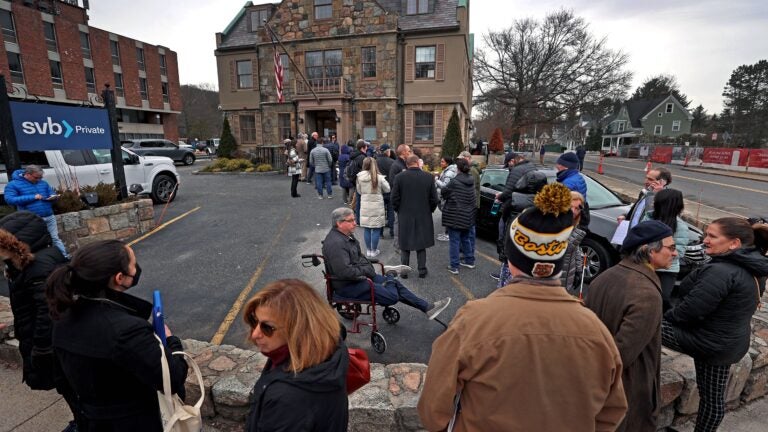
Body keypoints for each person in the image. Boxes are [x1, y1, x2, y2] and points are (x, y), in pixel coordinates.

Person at [418, 183, 627, 431]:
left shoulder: (473, 320)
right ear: (560, 263)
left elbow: (433, 409)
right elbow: (612, 412)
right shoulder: (596, 330)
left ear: (512, 261)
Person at [46, 240, 189, 431]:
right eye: (133, 264)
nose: (136, 268)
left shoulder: (62, 316)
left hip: (93, 420)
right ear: (119, 278)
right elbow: (172, 378)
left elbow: (62, 379)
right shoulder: (127, 331)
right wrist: (170, 341)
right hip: (135, 422)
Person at [662, 217, 768, 432]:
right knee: (712, 397)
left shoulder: (722, 271)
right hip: (726, 342)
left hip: (710, 343)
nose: (705, 240)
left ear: (734, 243)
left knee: (649, 326)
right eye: (706, 234)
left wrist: (665, 316)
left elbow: (691, 311)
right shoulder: (752, 266)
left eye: (712, 236)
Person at [585, 220, 677, 432]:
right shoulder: (647, 294)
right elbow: (622, 354)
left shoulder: (605, 276)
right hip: (626, 389)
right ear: (649, 250)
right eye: (670, 248)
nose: (675, 253)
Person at [0, 211, 82, 432]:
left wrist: (41, 350)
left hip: (53, 346)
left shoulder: (39, 268)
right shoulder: (32, 262)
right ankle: (81, 420)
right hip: (56, 345)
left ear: (16, 245)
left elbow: (48, 313)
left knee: (71, 385)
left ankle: (84, 424)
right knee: (68, 386)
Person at [243, 279, 349, 432]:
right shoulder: (328, 351)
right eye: (254, 321)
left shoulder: (287, 399)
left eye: (267, 327)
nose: (255, 334)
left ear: (298, 330)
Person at [322, 207, 451, 319]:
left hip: (359, 278)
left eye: (354, 219)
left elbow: (358, 258)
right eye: (351, 221)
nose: (355, 223)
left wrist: (367, 269)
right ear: (339, 223)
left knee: (395, 284)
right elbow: (345, 272)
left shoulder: (346, 236)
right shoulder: (336, 244)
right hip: (348, 286)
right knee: (392, 296)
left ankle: (427, 308)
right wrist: (366, 271)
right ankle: (390, 275)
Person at [4, 165, 69, 258]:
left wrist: (53, 197)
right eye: (36, 177)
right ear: (27, 174)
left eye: (41, 177)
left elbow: (51, 193)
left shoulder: (43, 183)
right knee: (37, 242)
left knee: (55, 238)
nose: (39, 179)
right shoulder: (13, 184)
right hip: (32, 219)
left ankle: (65, 257)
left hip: (49, 216)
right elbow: (10, 200)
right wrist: (32, 197)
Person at [392, 155, 439, 278]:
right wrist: (429, 210)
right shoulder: (429, 177)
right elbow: (434, 199)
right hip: (423, 214)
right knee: (421, 244)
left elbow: (394, 198)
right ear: (418, 163)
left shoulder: (399, 177)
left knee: (404, 244)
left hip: (405, 214)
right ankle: (422, 270)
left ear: (406, 165)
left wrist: (399, 210)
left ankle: (404, 272)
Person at [642, 188, 689, 311]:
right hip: (646, 265)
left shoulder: (681, 227)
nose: (652, 203)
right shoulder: (648, 218)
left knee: (663, 298)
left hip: (668, 270)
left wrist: (656, 253)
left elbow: (679, 252)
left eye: (656, 201)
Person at [441, 158, 476, 275]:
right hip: (468, 215)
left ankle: (454, 266)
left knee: (454, 241)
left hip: (455, 214)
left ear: (458, 169)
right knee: (466, 238)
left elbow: (444, 192)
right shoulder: (471, 180)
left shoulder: (454, 182)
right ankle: (469, 260)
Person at [356, 157, 389, 257]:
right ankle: (374, 250)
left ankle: (369, 250)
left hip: (365, 204)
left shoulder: (359, 177)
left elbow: (359, 191)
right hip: (377, 206)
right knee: (376, 228)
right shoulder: (379, 177)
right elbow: (387, 189)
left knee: (367, 228)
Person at [560, 191, 588, 294]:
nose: (573, 211)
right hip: (557, 279)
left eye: (577, 209)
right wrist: (582, 230)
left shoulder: (573, 223)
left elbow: (576, 248)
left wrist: (579, 269)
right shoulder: (557, 221)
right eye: (570, 207)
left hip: (567, 277)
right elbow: (565, 248)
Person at [434, 156, 457, 242]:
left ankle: (448, 234)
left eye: (442, 162)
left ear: (447, 163)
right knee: (447, 215)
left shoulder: (449, 172)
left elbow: (445, 186)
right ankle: (447, 233)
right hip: (445, 197)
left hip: (447, 197)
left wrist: (436, 179)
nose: (441, 163)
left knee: (447, 216)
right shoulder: (448, 170)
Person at [375, 144, 395, 239]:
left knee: (380, 212)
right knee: (391, 211)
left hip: (379, 190)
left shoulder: (375, 162)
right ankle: (392, 231)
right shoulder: (392, 162)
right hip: (390, 189)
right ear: (387, 151)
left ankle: (380, 233)